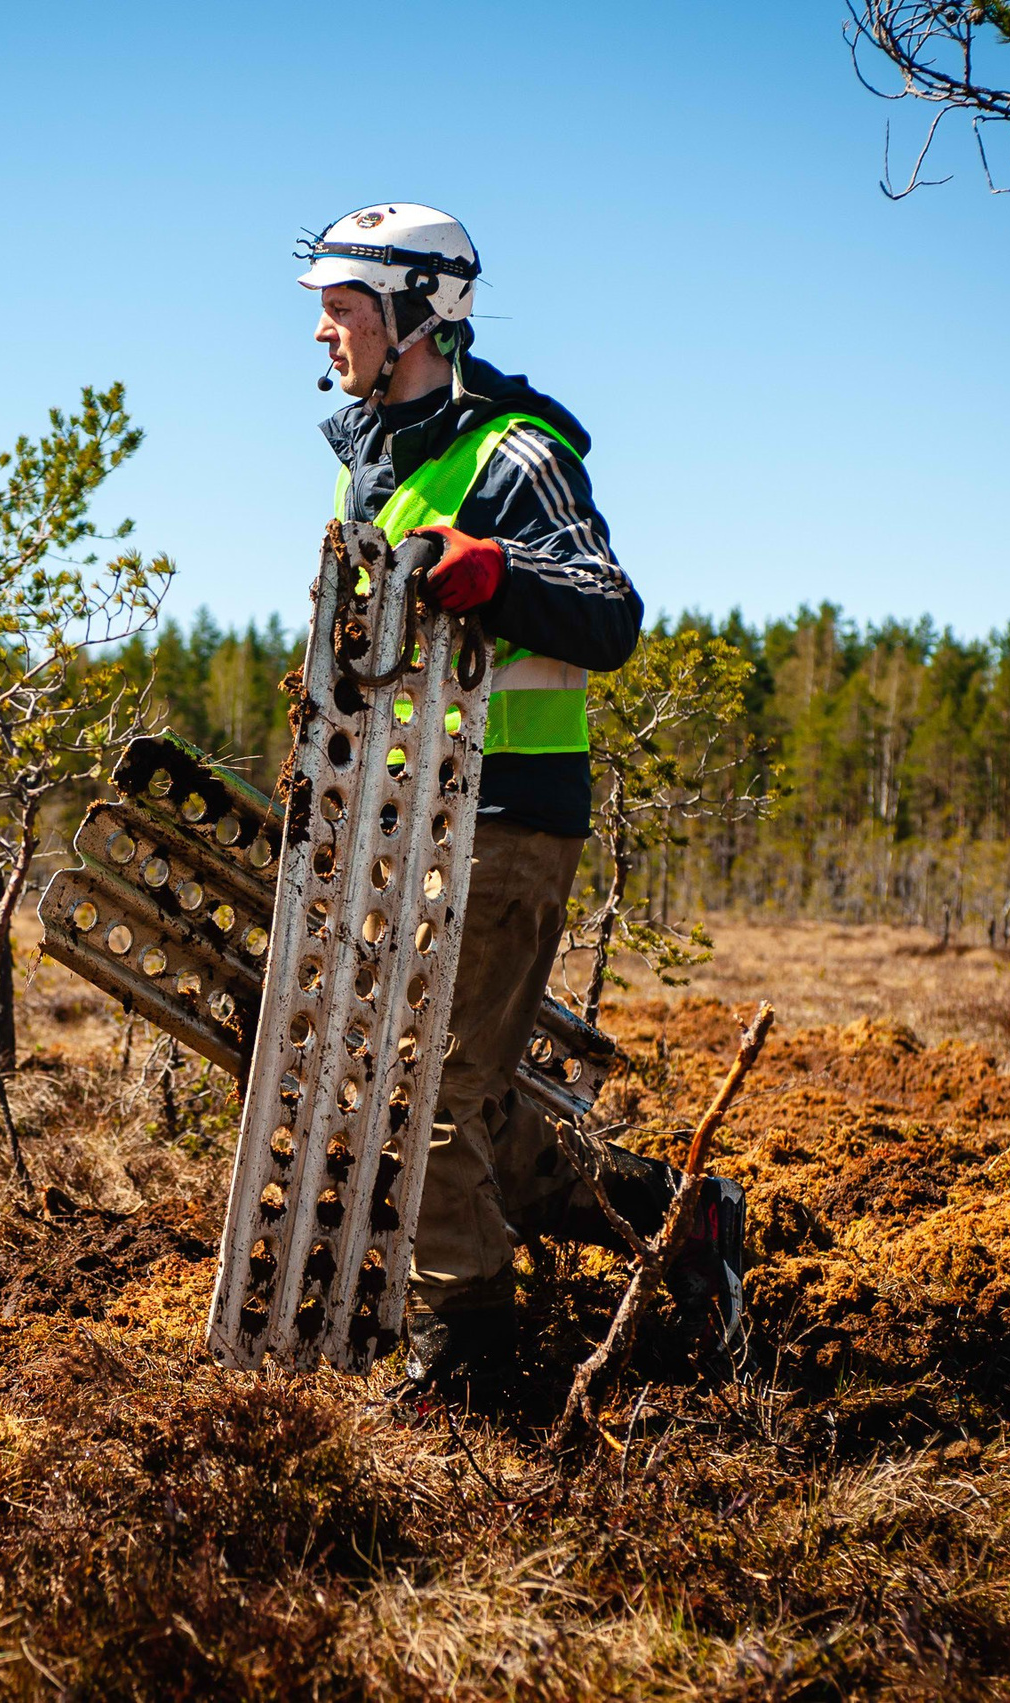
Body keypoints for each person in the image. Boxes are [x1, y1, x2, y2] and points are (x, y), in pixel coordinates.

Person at [296, 203, 739, 1400]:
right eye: (325, 311)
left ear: (415, 315)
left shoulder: (516, 454)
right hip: (401, 826)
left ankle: (474, 1360)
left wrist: (491, 570)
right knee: (450, 1092)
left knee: (426, 1086)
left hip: (504, 820)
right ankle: (669, 1211)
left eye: (343, 310)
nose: (324, 333)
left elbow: (609, 611)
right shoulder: (370, 463)